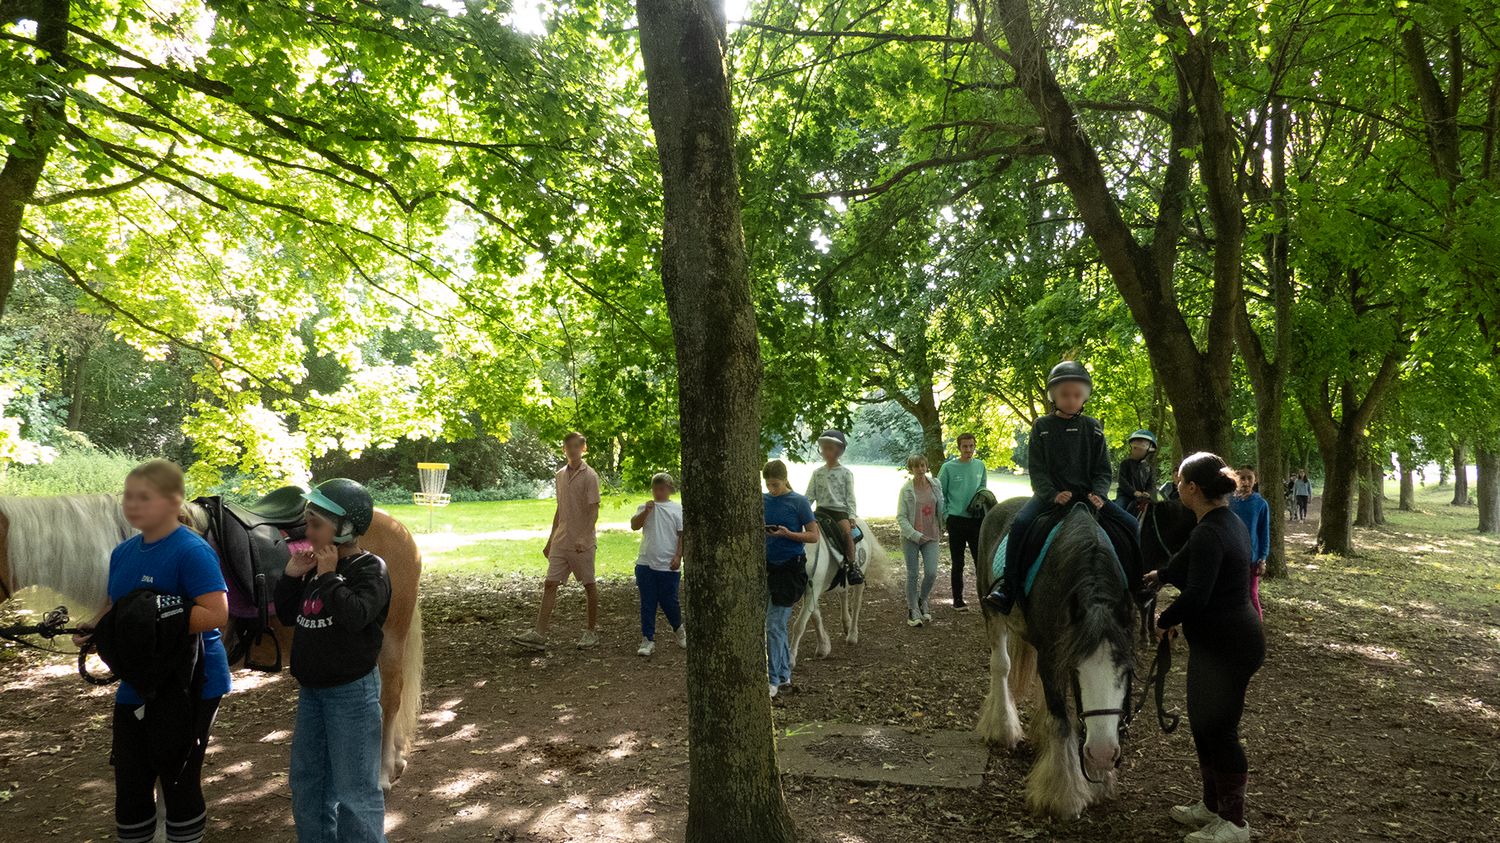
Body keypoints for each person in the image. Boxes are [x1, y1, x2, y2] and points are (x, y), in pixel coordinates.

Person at [73, 459, 231, 843]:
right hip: (139, 678)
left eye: (144, 497)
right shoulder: (123, 553)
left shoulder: (191, 551)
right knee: (130, 782)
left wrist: (155, 621)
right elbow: (119, 606)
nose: (133, 505)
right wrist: (98, 626)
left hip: (191, 681)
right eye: (129, 497)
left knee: (177, 779)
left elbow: (216, 614)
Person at [1143, 452, 1265, 843]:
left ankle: (1234, 823)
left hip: (1230, 647)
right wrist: (1162, 574)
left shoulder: (1210, 532)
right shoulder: (1221, 522)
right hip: (1216, 646)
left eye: (1180, 481)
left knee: (1220, 731)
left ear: (1193, 488)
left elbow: (1197, 594)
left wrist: (1163, 621)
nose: (1177, 487)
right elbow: (1189, 562)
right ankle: (1212, 806)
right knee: (1203, 725)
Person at [274, 479, 391, 843]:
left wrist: (328, 577)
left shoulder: (370, 569)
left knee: (355, 790)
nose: (307, 532)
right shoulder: (315, 569)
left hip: (351, 695)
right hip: (312, 693)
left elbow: (356, 616)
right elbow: (287, 615)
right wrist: (292, 576)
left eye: (315, 524)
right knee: (309, 783)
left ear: (345, 528)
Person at [983, 361, 1141, 614]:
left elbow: (1103, 470)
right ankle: (1008, 587)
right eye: (1065, 394)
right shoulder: (1042, 427)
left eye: (1077, 395)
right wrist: (1052, 494)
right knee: (1020, 523)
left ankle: (1137, 585)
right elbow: (1038, 470)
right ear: (1053, 396)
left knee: (1132, 525)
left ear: (1084, 397)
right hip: (1051, 498)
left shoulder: (1093, 428)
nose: (1071, 400)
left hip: (1090, 497)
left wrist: (1099, 494)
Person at [512, 432, 601, 651]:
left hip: (582, 543)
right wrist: (550, 539)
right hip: (561, 540)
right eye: (568, 446)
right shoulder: (560, 475)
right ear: (564, 450)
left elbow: (594, 510)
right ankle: (539, 634)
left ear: (583, 448)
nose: (572, 450)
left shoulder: (590, 476)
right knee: (550, 583)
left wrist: (584, 536)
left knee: (589, 585)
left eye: (576, 446)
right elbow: (560, 509)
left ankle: (591, 632)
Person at [763, 459, 818, 697]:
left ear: (785, 479)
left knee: (774, 625)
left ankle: (773, 680)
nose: (771, 489)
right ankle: (784, 675)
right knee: (775, 626)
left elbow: (813, 536)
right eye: (768, 485)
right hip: (767, 569)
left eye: (775, 484)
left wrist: (788, 534)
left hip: (791, 570)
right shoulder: (762, 500)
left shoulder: (799, 502)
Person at [630, 472, 685, 657]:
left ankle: (679, 629)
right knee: (648, 601)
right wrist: (646, 511)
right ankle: (647, 638)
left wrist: (678, 556)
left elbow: (681, 534)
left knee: (670, 601)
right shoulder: (645, 507)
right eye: (655, 489)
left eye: (662, 489)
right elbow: (634, 525)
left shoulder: (677, 509)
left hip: (668, 563)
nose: (658, 492)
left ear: (669, 489)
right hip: (646, 562)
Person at [805, 429, 862, 585]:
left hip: (839, 512)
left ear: (839, 451)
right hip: (821, 511)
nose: (826, 451)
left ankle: (852, 566)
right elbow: (809, 496)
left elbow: (850, 497)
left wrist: (851, 515)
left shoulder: (846, 473)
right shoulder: (817, 473)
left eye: (830, 448)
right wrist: (802, 510)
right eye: (824, 448)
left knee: (846, 533)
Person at [937, 432, 987, 609]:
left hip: (976, 520)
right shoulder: (948, 468)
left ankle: (985, 598)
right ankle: (957, 599)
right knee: (958, 562)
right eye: (965, 446)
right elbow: (939, 493)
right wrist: (946, 515)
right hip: (956, 520)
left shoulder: (980, 466)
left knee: (980, 561)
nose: (968, 449)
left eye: (971, 446)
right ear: (959, 447)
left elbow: (983, 489)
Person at [897, 454, 945, 627]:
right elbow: (901, 517)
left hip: (932, 535)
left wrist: (943, 524)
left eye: (923, 465)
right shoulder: (906, 490)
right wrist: (915, 534)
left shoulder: (935, 484)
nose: (920, 469)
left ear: (926, 466)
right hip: (911, 537)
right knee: (913, 574)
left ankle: (922, 599)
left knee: (931, 573)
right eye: (916, 466)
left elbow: (941, 506)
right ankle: (913, 610)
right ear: (911, 469)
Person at [1228, 466, 1270, 619]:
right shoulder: (1228, 501)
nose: (1245, 482)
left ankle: (1257, 627)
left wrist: (1262, 559)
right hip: (1230, 556)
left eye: (1249, 478)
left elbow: (1264, 533)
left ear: (1255, 480)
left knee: (1251, 594)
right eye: (1242, 478)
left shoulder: (1260, 504)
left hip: (1251, 558)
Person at [1116, 429, 1159, 516]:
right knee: (1118, 510)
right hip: (1125, 496)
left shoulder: (1148, 468)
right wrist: (1133, 492)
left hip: (1141, 498)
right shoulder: (1125, 463)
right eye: (1135, 448)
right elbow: (1122, 481)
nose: (1136, 450)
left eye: (1140, 448)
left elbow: (1151, 484)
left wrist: (1148, 493)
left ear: (1149, 451)